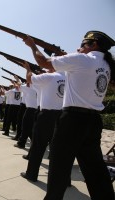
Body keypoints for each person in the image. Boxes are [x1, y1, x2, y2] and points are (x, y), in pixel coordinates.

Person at [23, 31, 115, 199]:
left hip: (72, 120)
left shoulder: (82, 60)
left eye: (83, 44)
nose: (78, 48)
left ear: (93, 44)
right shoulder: (107, 65)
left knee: (58, 168)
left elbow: (43, 61)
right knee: (95, 172)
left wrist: (33, 45)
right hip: (93, 120)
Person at [19, 63, 65, 183]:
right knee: (59, 149)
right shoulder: (69, 77)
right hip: (63, 115)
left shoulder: (49, 77)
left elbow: (29, 79)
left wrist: (28, 69)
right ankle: (65, 179)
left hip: (46, 115)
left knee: (37, 146)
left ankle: (31, 174)